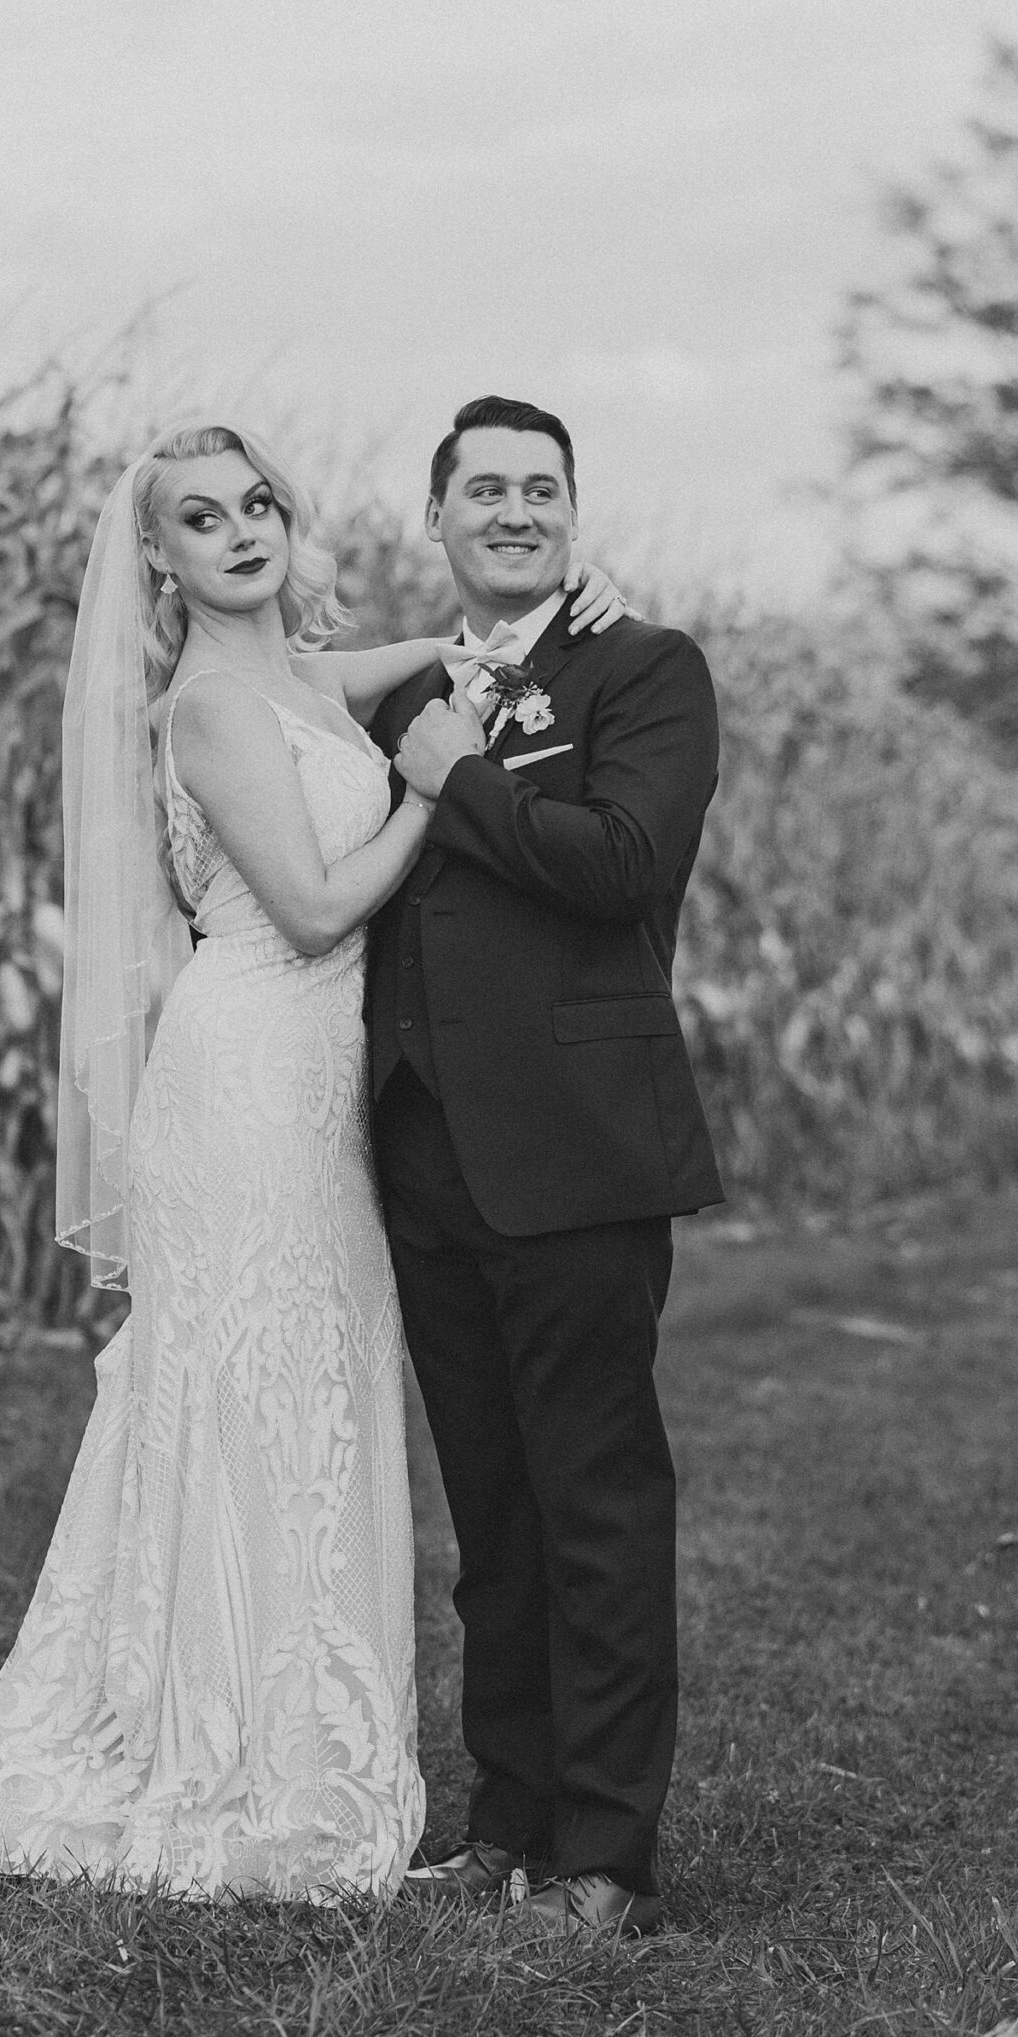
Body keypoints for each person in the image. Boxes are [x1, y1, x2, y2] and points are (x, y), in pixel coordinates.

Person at [0, 421, 625, 1897]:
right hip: (249, 1076)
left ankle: (299, 1736)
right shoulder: (211, 705)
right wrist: (435, 785)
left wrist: (550, 618)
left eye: (257, 502)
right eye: (198, 519)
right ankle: (224, 1745)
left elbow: (438, 652)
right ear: (156, 555)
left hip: (319, 1091)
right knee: (252, 1394)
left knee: (313, 1394)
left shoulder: (294, 675)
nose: (237, 531)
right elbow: (320, 906)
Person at [367, 395, 722, 1938]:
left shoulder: (643, 671)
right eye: (484, 489)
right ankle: (502, 1824)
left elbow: (623, 867)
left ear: (572, 517)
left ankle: (604, 1859)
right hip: (426, 1152)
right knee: (493, 1524)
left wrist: (462, 773)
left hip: (575, 1153)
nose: (514, 510)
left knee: (592, 1510)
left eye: (541, 490)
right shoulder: (399, 690)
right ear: (435, 519)